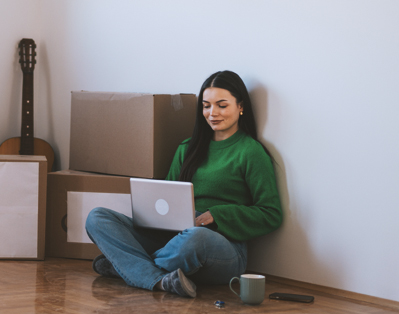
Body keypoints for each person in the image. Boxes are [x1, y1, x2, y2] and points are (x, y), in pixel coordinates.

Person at [85, 70, 283, 298]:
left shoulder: (251, 152)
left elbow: (271, 214)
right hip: (173, 237)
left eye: (221, 105)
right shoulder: (187, 148)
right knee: (97, 217)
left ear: (240, 106)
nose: (212, 113)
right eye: (206, 106)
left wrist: (217, 215)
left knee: (195, 238)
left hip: (219, 245)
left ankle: (129, 267)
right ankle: (159, 279)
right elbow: (167, 198)